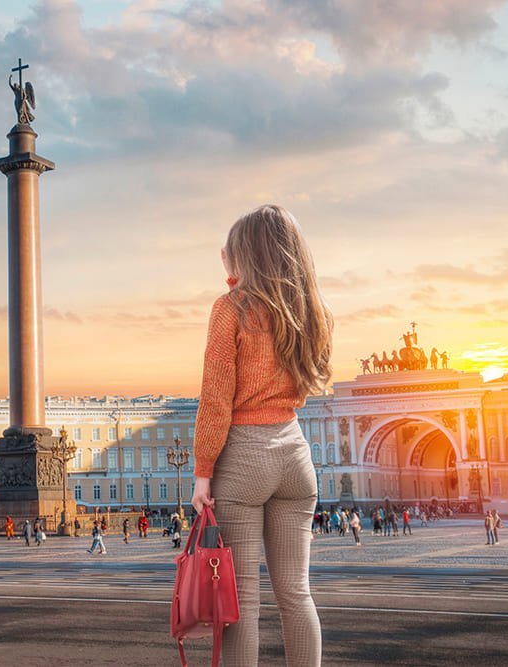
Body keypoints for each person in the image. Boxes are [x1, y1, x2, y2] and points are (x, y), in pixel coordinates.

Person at [190, 205, 331, 667]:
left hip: (244, 458)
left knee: (243, 602)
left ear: (243, 255)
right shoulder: (312, 312)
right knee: (296, 594)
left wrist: (202, 472)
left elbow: (215, 398)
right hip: (295, 455)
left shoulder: (230, 309)